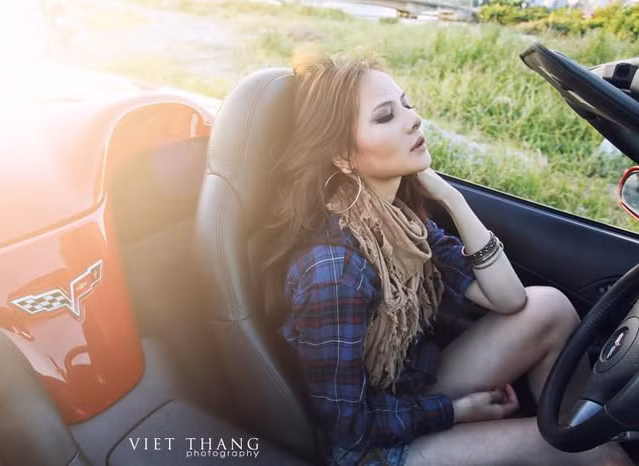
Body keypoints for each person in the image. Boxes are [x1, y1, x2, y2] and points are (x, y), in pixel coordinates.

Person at [259, 49, 632, 466]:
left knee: (550, 308)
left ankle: (579, 430)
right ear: (343, 157)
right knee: (568, 447)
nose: (413, 120)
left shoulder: (399, 221)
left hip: (406, 386)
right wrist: (455, 411)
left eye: (406, 105)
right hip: (366, 446)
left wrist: (454, 200)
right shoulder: (334, 268)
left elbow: (509, 299)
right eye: (385, 116)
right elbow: (349, 427)